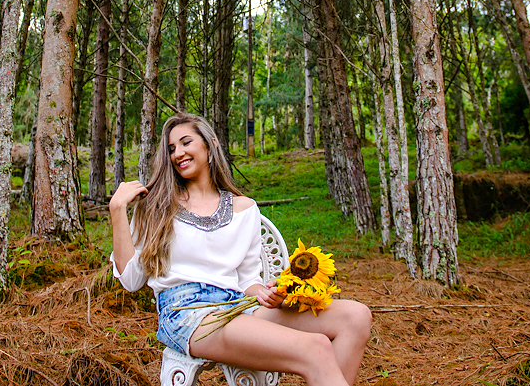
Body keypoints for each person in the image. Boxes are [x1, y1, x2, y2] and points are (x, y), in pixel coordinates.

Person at [110, 113, 372, 386]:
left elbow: (248, 280)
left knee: (355, 317)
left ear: (210, 145)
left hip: (238, 305)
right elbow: (130, 281)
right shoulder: (157, 207)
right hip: (187, 313)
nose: (178, 153)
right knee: (315, 348)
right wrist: (117, 210)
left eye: (186, 142)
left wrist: (269, 293)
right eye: (171, 149)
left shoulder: (244, 209)